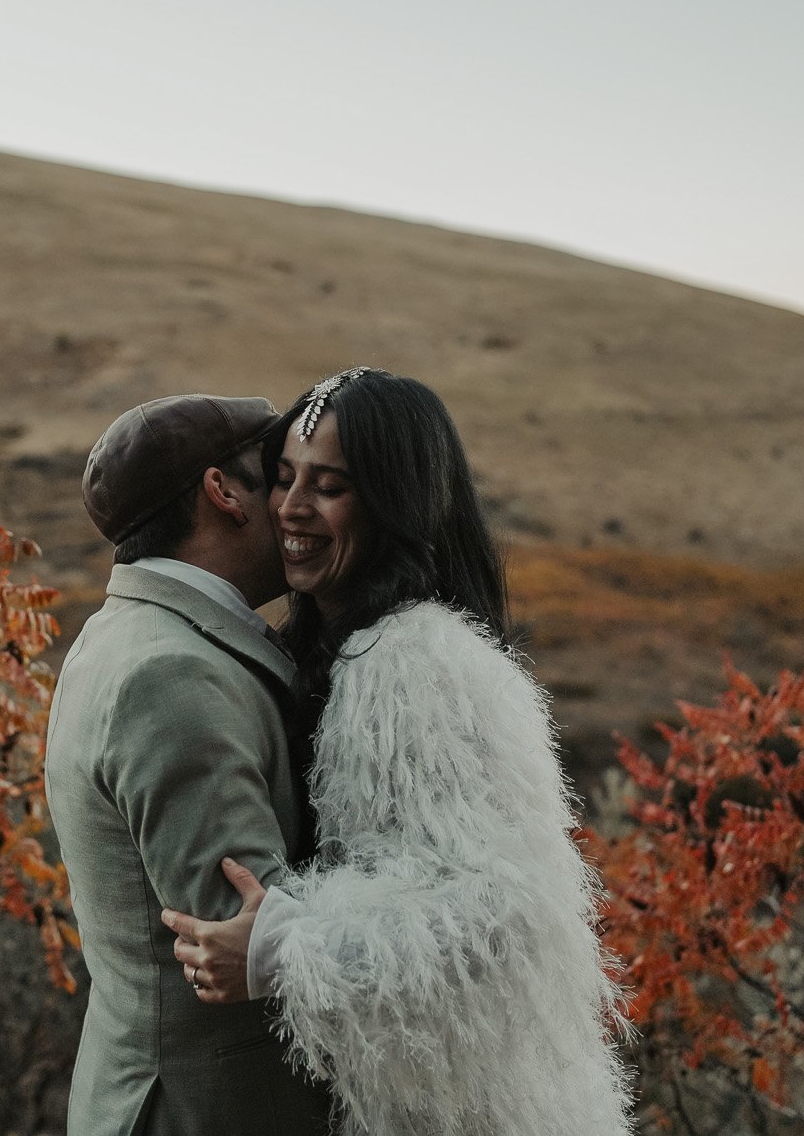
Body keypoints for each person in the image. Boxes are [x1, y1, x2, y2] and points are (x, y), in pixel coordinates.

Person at [161, 368, 634, 1136]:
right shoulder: (336, 651)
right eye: (283, 478)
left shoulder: (420, 661)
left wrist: (288, 948)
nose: (291, 507)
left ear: (395, 503)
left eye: (331, 485)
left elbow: (508, 919)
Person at [46, 393, 336, 1136]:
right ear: (223, 492)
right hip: (209, 1111)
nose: (294, 503)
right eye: (277, 475)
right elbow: (251, 940)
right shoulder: (172, 675)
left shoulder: (125, 634)